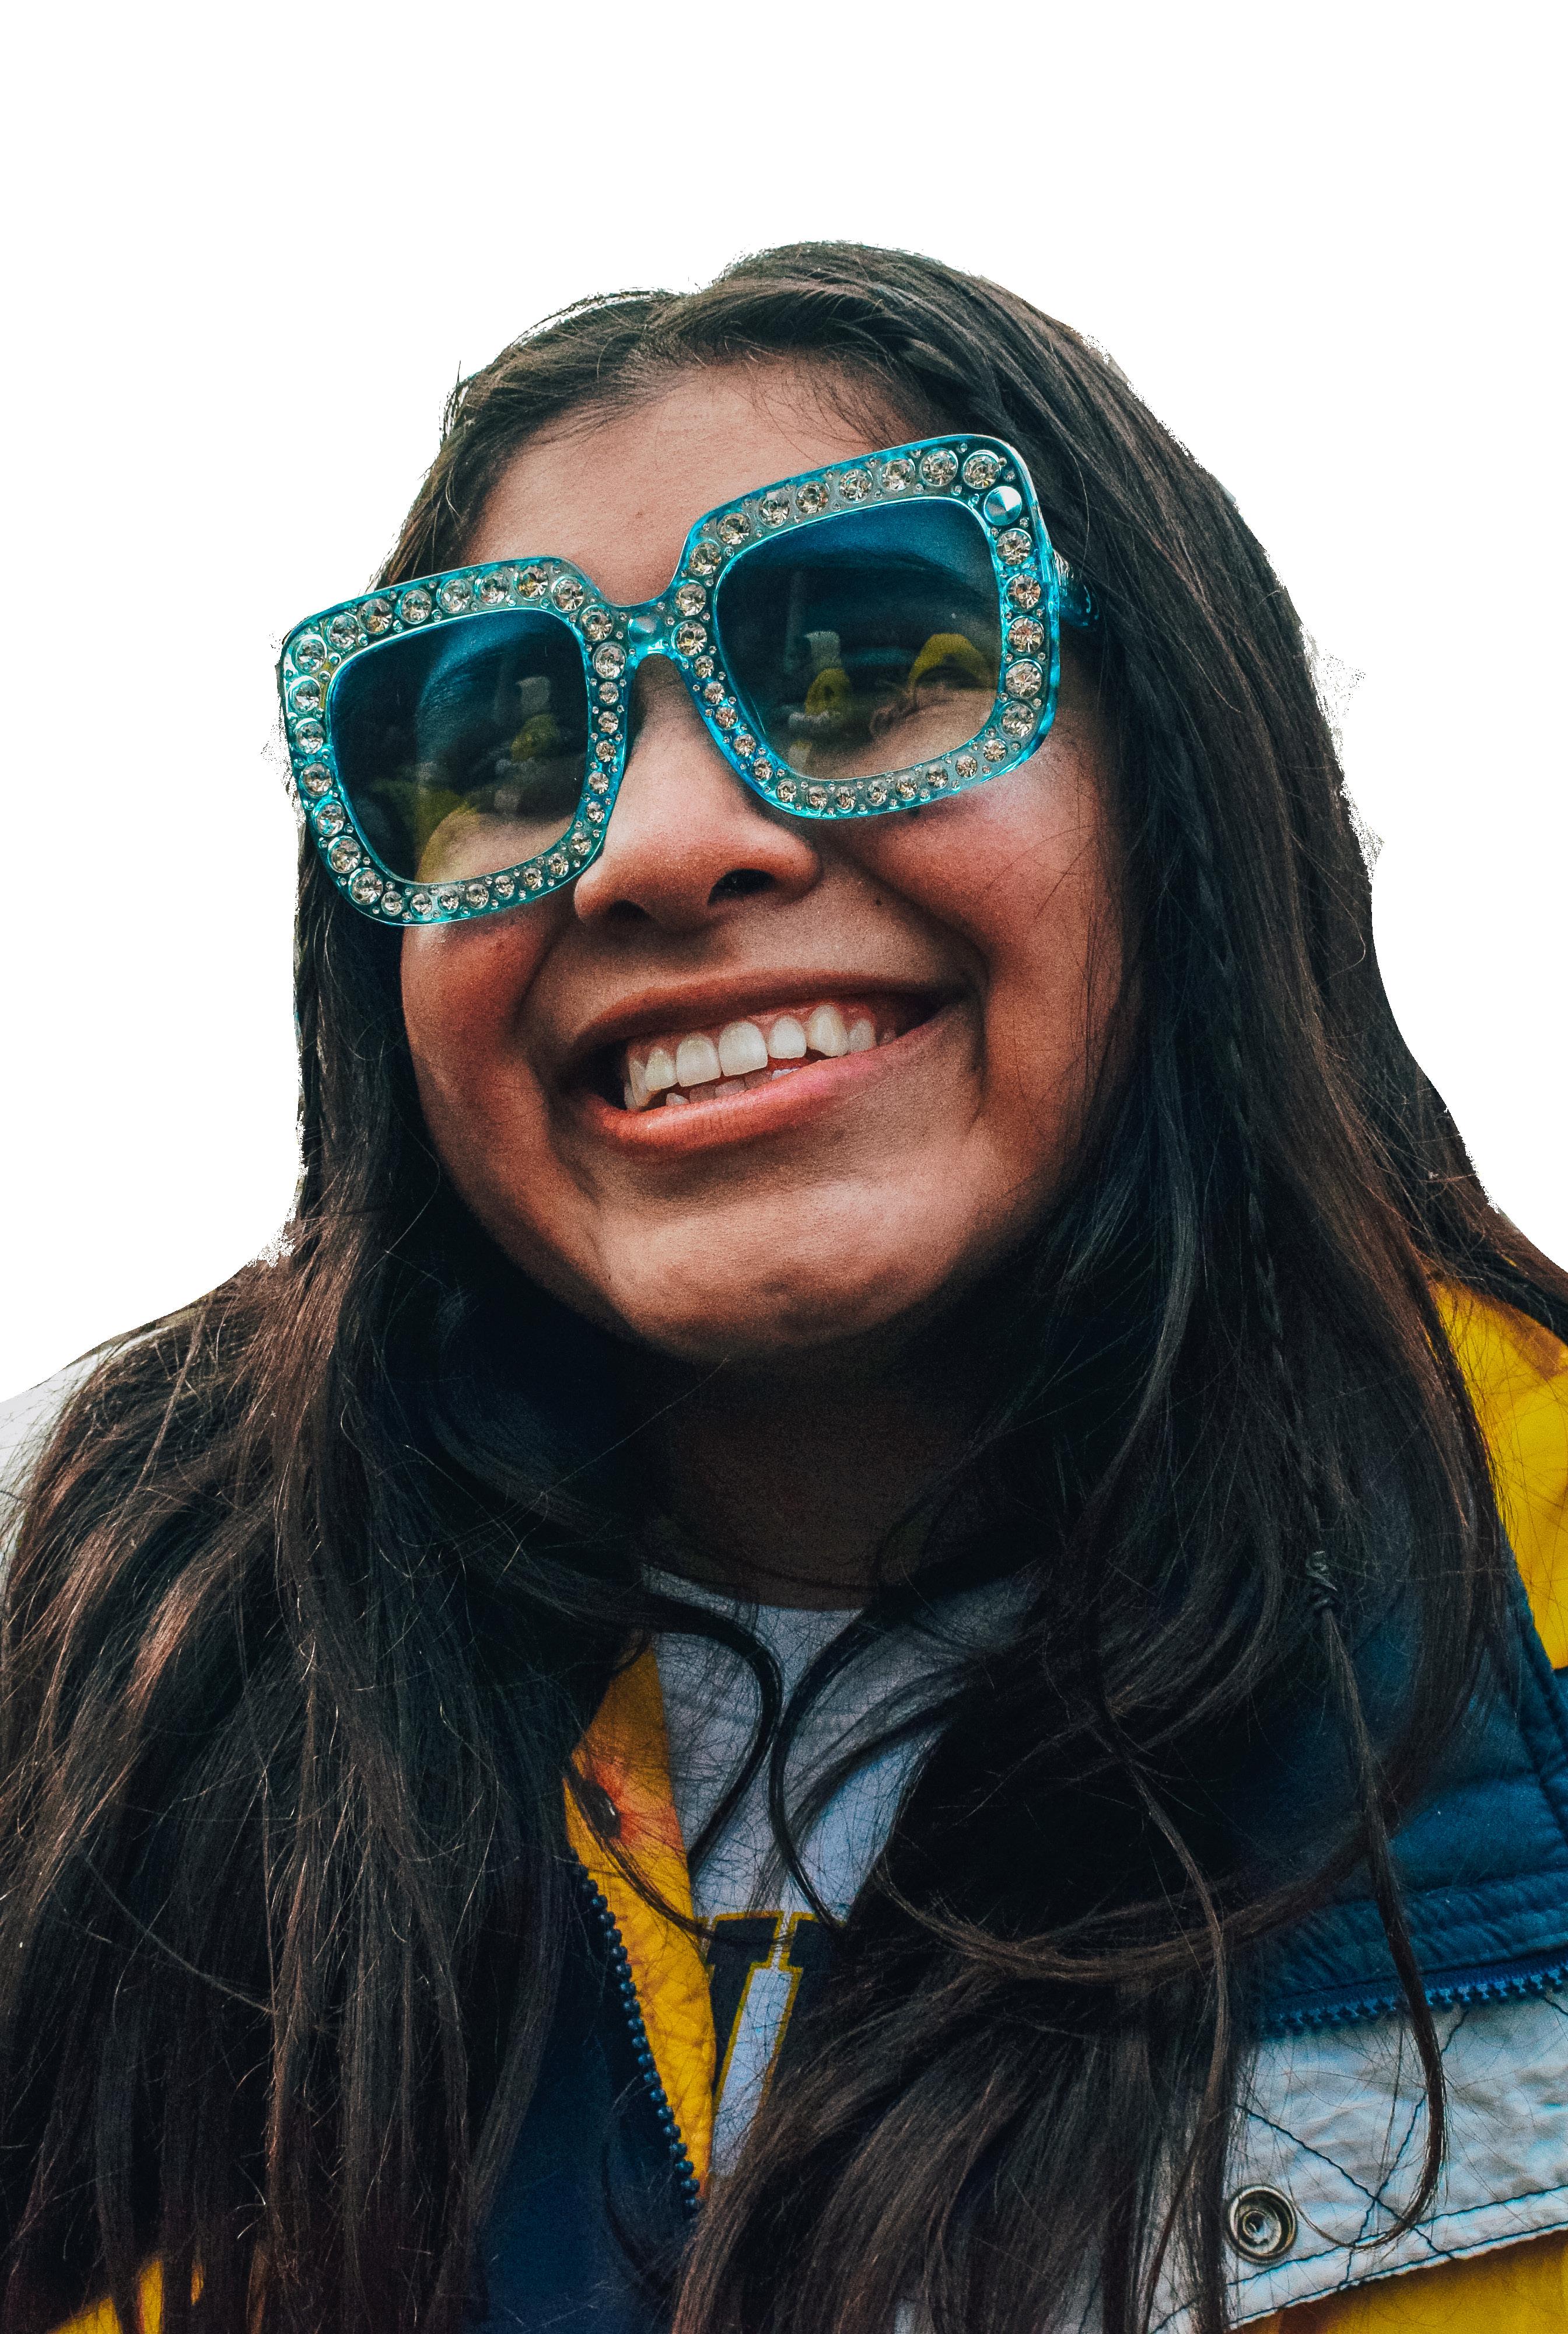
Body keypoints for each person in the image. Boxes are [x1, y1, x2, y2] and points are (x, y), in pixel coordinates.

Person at [1, 242, 1565, 2334]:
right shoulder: (78, 1664)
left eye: (873, 661)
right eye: (497, 746)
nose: (653, 846)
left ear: (1185, 782)